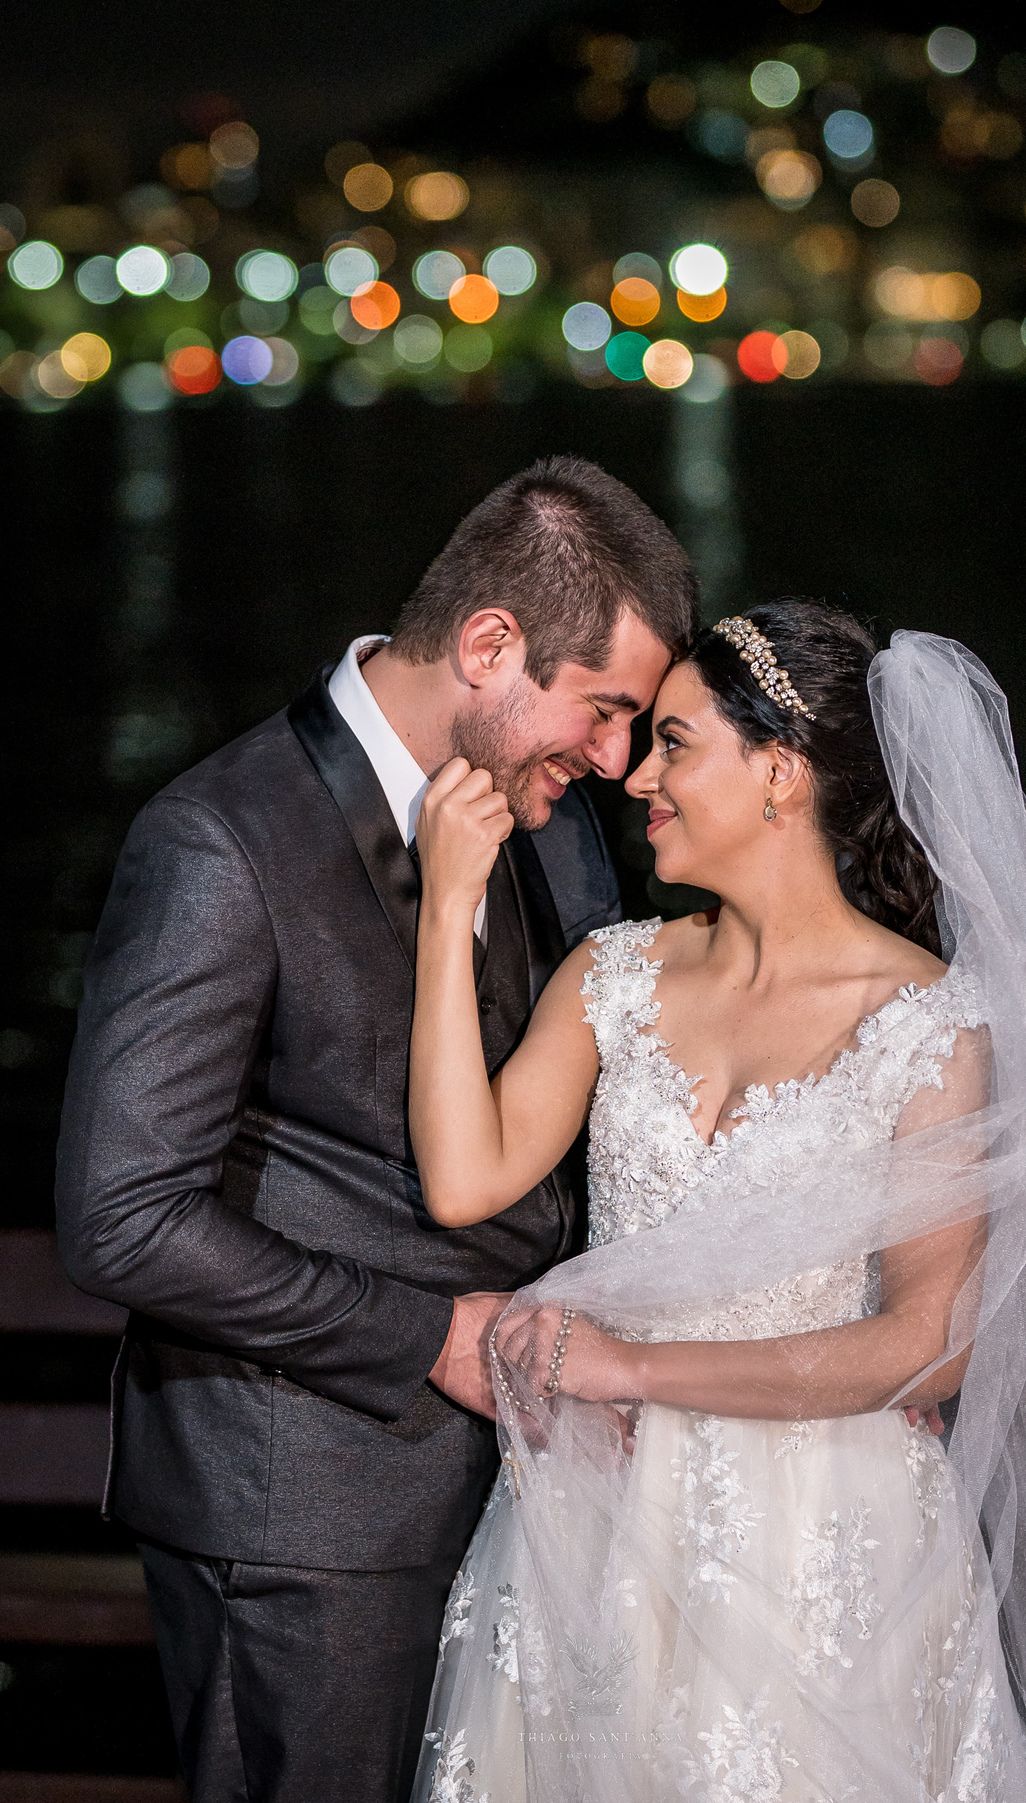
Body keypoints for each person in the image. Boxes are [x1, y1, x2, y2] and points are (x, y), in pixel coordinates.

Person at [407, 604, 1026, 1803]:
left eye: (674, 743)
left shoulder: (926, 1025)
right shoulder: (614, 975)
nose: (638, 781)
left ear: (780, 770)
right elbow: (466, 1176)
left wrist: (632, 1370)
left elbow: (926, 1344)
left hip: (830, 1538)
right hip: (604, 1526)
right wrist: (444, 907)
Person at [54, 456, 697, 1803]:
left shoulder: (557, 823)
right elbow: (123, 1212)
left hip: (516, 1494)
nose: (616, 758)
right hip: (300, 1521)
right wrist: (426, 1336)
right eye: (602, 710)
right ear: (489, 644)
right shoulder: (224, 840)